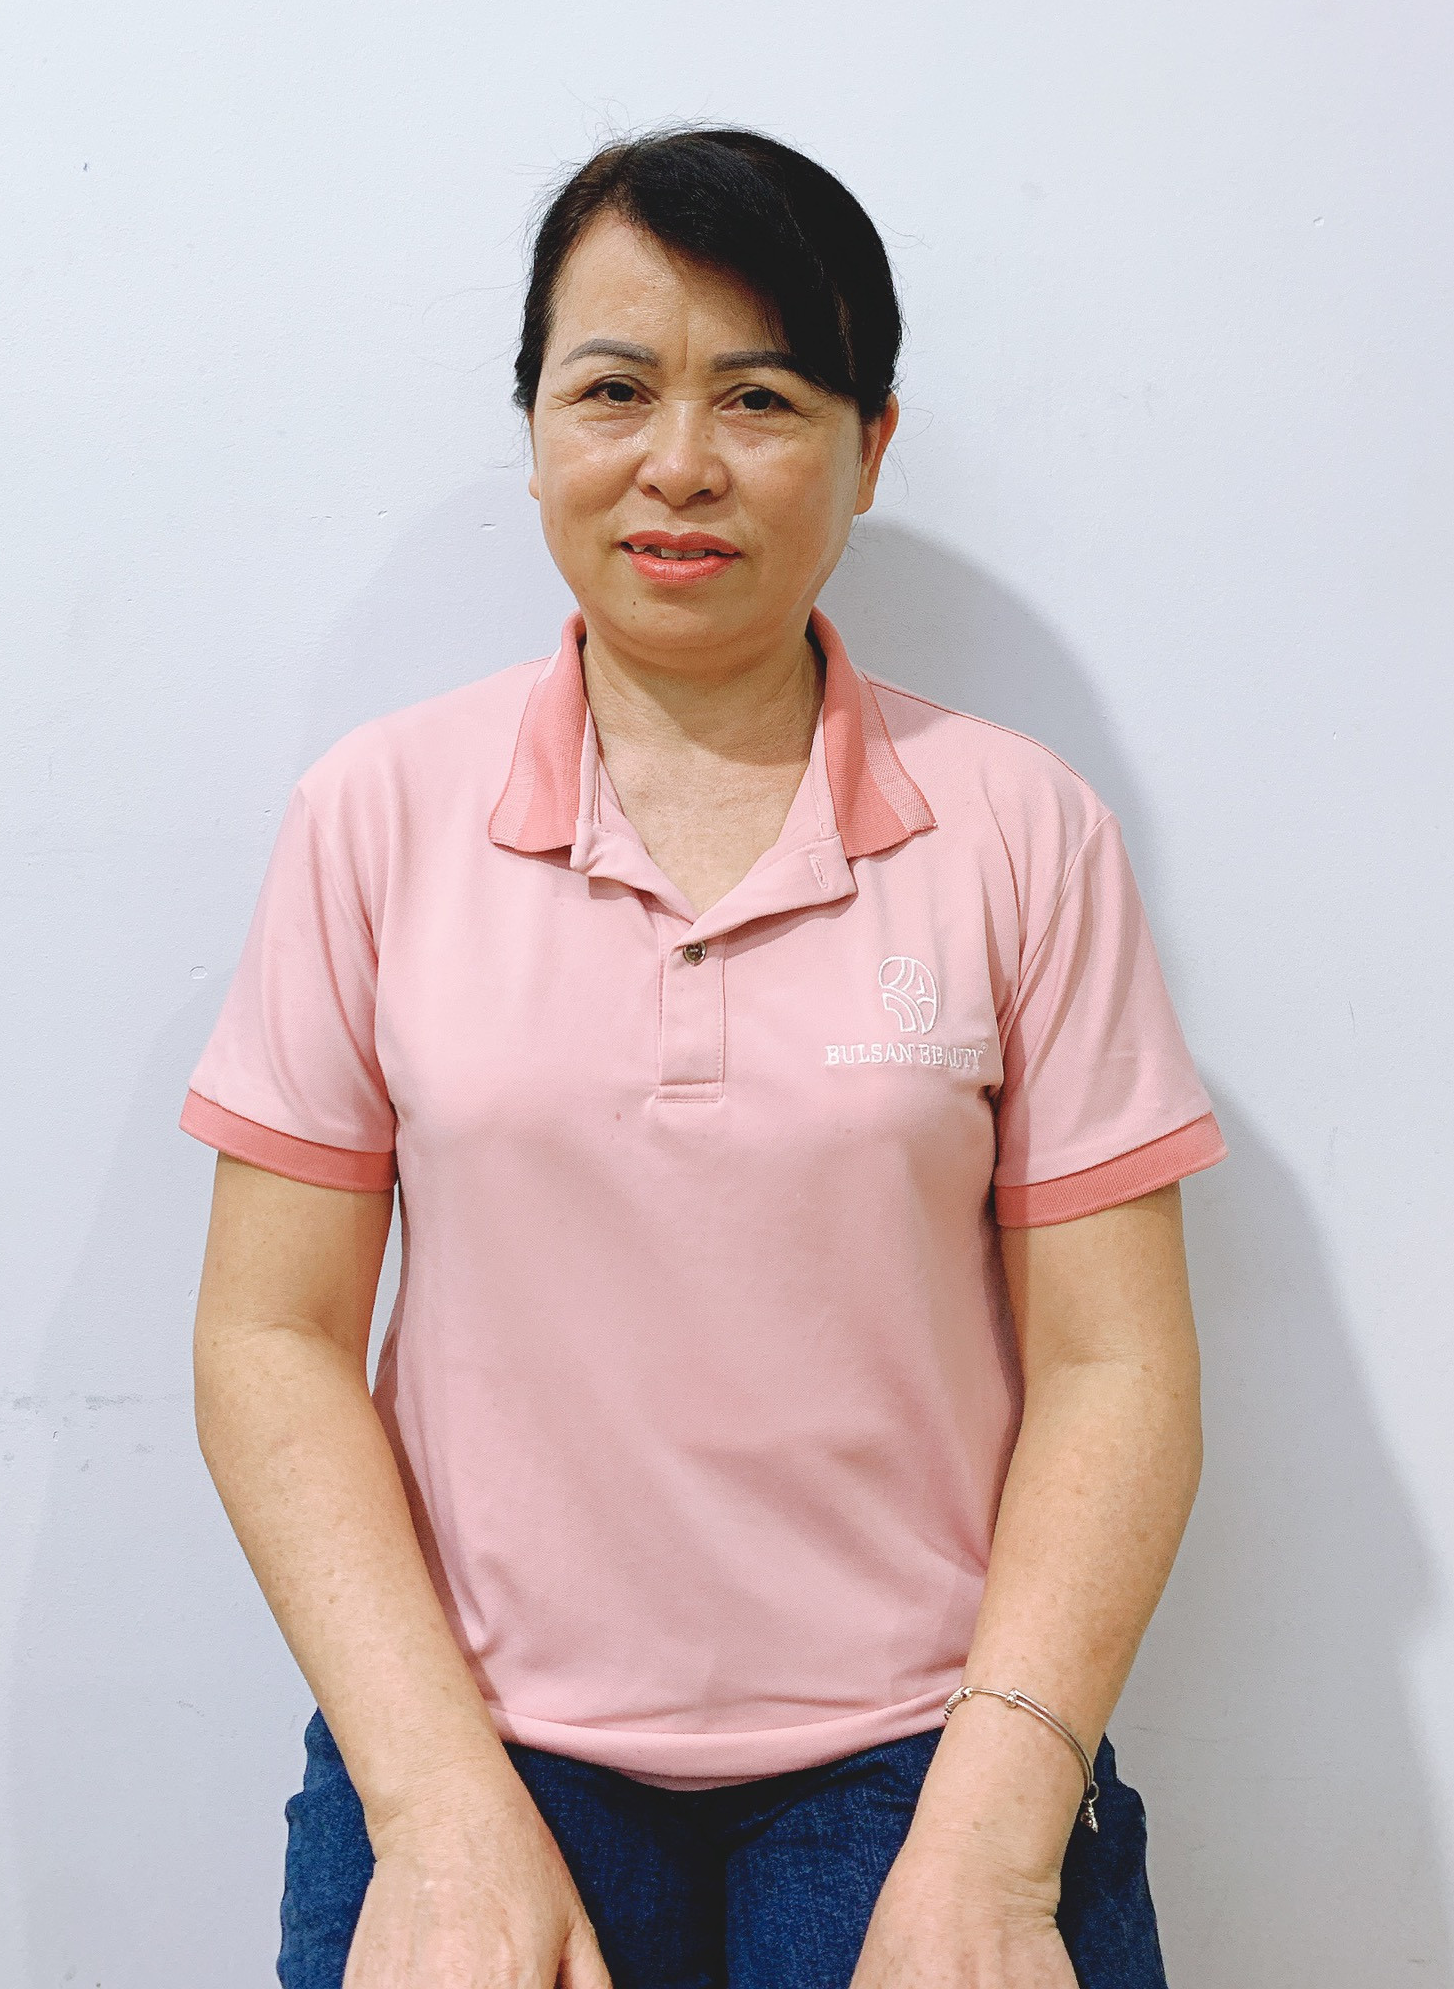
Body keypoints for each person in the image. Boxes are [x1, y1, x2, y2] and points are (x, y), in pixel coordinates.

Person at [185, 127, 1227, 1989]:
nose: (679, 462)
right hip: (477, 1740)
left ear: (869, 447)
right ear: (532, 432)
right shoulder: (375, 816)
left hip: (928, 1748)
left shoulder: (1019, 828)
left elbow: (1117, 1364)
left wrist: (993, 1848)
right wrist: (432, 1807)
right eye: (613, 390)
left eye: (760, 396)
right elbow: (273, 1337)